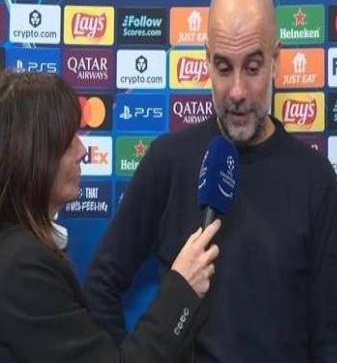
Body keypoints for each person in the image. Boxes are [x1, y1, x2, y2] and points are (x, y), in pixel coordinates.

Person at [84, 0, 337, 362]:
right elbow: (99, 287)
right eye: (224, 68)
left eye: (253, 68)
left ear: (276, 61)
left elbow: (332, 338)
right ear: (207, 60)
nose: (237, 91)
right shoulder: (167, 162)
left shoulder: (314, 178)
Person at [0, 72, 221, 363]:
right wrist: (182, 287)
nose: (82, 151)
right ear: (33, 155)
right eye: (68, 141)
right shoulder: (22, 268)